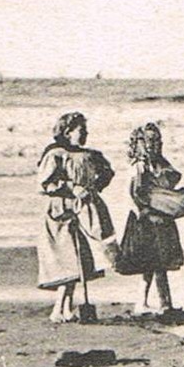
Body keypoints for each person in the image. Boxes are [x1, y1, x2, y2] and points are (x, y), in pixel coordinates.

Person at [36, 111, 117, 323]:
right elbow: (45, 184)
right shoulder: (55, 154)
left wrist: (93, 190)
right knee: (68, 261)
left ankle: (66, 309)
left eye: (86, 131)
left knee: (79, 260)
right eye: (81, 131)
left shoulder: (89, 155)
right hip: (59, 213)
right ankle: (58, 309)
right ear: (67, 132)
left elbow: (107, 173)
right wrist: (72, 188)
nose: (85, 135)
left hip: (80, 211)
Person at [119, 122, 184, 315]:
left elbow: (173, 178)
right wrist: (141, 212)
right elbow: (131, 193)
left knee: (156, 264)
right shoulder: (138, 166)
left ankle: (148, 302)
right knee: (154, 264)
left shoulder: (160, 163)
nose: (155, 144)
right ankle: (162, 304)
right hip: (146, 220)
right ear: (141, 143)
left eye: (157, 140)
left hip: (161, 218)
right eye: (150, 141)